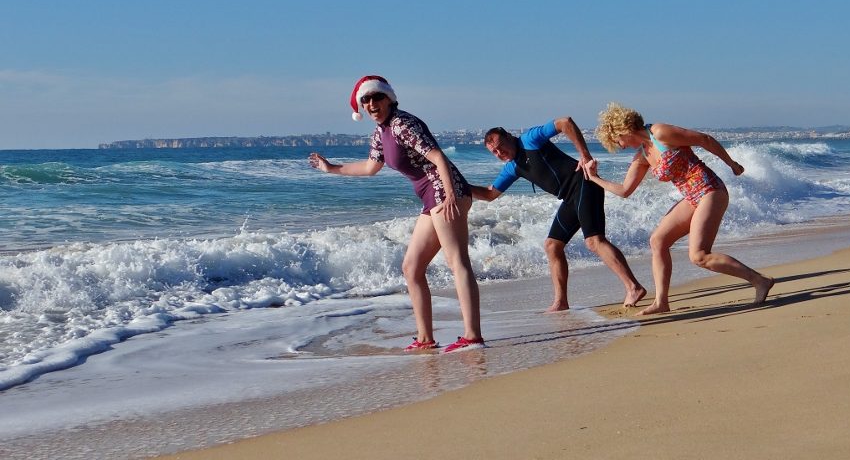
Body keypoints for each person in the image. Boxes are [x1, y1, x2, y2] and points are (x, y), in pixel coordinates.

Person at [308, 75, 484, 353]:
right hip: (431, 196)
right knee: (411, 268)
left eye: (377, 97)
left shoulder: (403, 123)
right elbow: (370, 168)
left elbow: (438, 157)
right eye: (366, 100)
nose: (371, 104)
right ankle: (425, 339)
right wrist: (331, 168)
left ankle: (472, 336)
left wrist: (451, 195)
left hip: (443, 189)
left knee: (457, 262)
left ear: (389, 99)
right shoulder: (381, 132)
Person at [583, 102, 774, 315]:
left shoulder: (660, 133)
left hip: (710, 190)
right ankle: (661, 302)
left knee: (699, 256)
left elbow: (704, 139)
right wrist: (594, 177)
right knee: (658, 241)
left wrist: (732, 164)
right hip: (692, 198)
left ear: (623, 130)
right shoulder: (643, 155)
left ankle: (759, 280)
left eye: (617, 140)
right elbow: (625, 190)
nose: (620, 146)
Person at [471, 117, 648, 312]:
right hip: (570, 197)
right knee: (552, 246)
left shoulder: (530, 139)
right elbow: (489, 194)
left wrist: (585, 155)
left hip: (585, 183)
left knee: (594, 241)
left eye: (500, 146)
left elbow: (565, 122)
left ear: (509, 137)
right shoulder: (512, 167)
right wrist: (460, 187)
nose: (499, 153)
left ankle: (633, 287)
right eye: (494, 152)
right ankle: (561, 302)